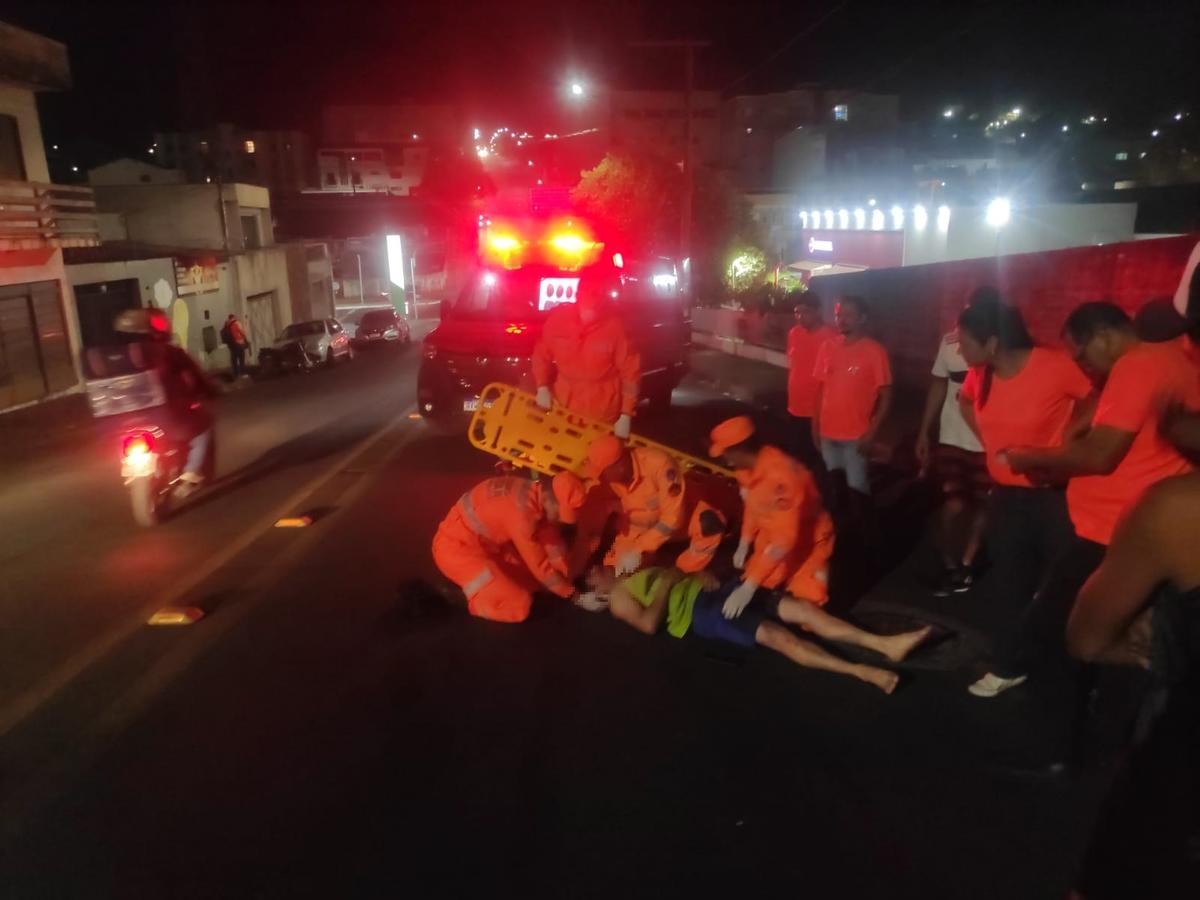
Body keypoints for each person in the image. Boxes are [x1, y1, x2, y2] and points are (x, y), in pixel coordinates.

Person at [984, 301, 1199, 697]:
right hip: (1123, 528)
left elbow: (1100, 456)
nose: (1081, 362)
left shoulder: (1137, 366)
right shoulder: (1171, 360)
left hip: (1109, 533)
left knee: (1063, 631)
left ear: (1104, 335)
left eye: (1082, 352)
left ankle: (1061, 739)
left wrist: (1027, 456)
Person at [953, 293, 1095, 698]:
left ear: (993, 343)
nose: (959, 348)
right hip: (1007, 498)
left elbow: (1095, 398)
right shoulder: (980, 376)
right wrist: (989, 440)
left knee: (1063, 589)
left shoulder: (1051, 366)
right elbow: (966, 404)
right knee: (1009, 586)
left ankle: (1074, 672)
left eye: (965, 340)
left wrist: (1068, 439)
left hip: (1055, 497)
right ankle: (1009, 665)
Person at [599, 564, 930, 694]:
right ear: (595, 587)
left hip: (716, 589)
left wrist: (696, 575)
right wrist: (667, 586)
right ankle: (863, 671)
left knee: (801, 610)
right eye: (594, 571)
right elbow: (647, 624)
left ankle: (886, 645)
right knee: (778, 637)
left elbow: (682, 574)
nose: (602, 565)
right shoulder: (617, 597)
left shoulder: (636, 567)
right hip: (703, 613)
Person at [707, 416, 835, 616]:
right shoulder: (745, 471)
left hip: (809, 538)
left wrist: (750, 585)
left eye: (726, 453)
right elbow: (752, 505)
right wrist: (745, 540)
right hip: (772, 533)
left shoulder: (781, 478)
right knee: (764, 584)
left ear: (740, 450)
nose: (726, 459)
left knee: (808, 599)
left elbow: (784, 540)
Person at [431, 471, 586, 623]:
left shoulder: (532, 493)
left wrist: (567, 574)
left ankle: (477, 585)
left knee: (531, 582)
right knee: (519, 603)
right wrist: (574, 595)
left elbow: (551, 540)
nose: (559, 520)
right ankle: (468, 599)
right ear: (549, 500)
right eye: (559, 514)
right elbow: (539, 566)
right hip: (456, 552)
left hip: (485, 545)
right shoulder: (522, 518)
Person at [916, 320, 990, 596]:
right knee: (954, 502)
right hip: (951, 437)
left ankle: (967, 564)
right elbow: (938, 385)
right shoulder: (949, 343)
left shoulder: (999, 347)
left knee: (984, 505)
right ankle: (948, 560)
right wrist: (924, 431)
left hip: (986, 442)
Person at [112, 308, 218, 486]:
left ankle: (132, 466)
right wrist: (211, 390)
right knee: (204, 426)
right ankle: (191, 471)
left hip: (125, 418)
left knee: (122, 438)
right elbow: (196, 376)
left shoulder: (114, 359)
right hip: (168, 414)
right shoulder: (170, 352)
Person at [812, 296, 892, 525]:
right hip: (828, 435)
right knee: (835, 489)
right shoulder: (827, 347)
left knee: (858, 491)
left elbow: (886, 394)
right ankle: (839, 536)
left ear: (862, 319)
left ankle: (866, 544)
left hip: (856, 437)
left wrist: (873, 431)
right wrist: (815, 426)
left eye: (848, 315)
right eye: (839, 314)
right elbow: (820, 390)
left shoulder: (874, 351)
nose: (842, 319)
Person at [531, 275, 640, 437]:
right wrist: (542, 387)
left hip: (601, 412)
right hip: (565, 407)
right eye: (589, 292)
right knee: (563, 453)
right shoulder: (558, 321)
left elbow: (630, 374)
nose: (593, 299)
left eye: (598, 294)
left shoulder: (617, 329)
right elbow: (541, 356)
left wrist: (626, 414)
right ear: (578, 295)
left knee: (596, 458)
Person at [574, 434, 688, 576]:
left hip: (674, 531)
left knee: (634, 575)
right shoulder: (608, 480)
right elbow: (591, 522)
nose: (600, 478)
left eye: (602, 472)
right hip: (634, 532)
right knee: (612, 572)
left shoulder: (659, 464)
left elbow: (674, 518)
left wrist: (640, 548)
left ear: (619, 466)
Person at [785, 293, 836, 469]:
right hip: (794, 407)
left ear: (818, 311)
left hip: (817, 412)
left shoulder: (831, 338)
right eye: (797, 312)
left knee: (817, 460)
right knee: (797, 457)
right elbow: (794, 365)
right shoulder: (794, 333)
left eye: (805, 312)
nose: (800, 317)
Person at [221, 314, 249, 378]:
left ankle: (236, 374)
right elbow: (242, 332)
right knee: (241, 358)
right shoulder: (237, 323)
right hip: (239, 343)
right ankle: (242, 373)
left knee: (234, 359)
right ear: (234, 317)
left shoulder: (227, 324)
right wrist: (245, 339)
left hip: (231, 344)